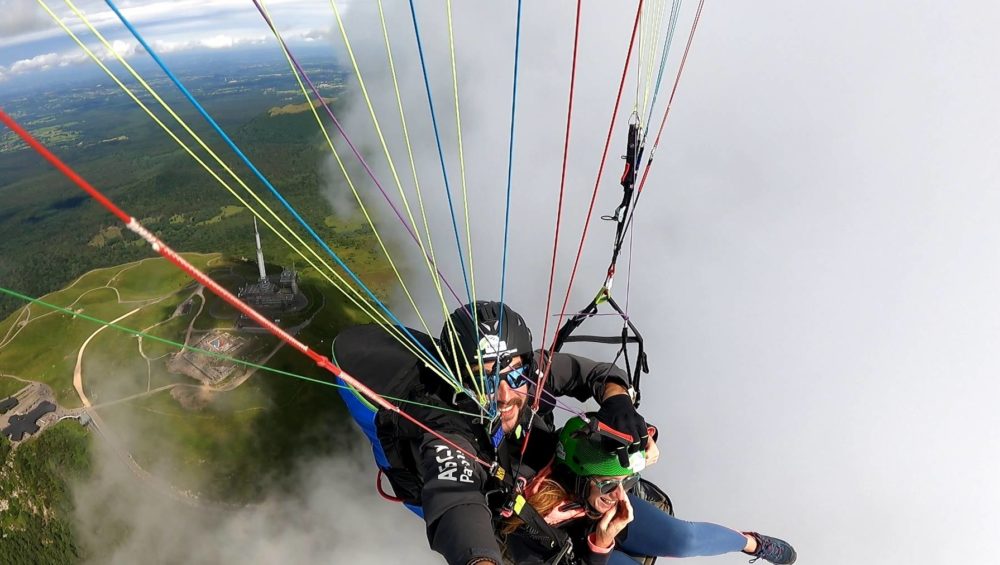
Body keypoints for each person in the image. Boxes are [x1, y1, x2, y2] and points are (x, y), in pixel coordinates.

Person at [331, 301, 651, 565]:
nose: (503, 394)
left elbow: (591, 374)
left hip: (539, 478)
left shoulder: (525, 371)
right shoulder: (447, 433)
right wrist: (599, 549)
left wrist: (618, 400)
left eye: (513, 375)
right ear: (459, 381)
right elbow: (458, 501)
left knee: (683, 538)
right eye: (483, 379)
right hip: (508, 517)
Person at [501, 415, 798, 565]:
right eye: (609, 484)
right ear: (579, 480)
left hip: (597, 518)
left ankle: (750, 543)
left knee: (685, 539)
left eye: (626, 481)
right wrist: (600, 544)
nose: (620, 494)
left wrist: (644, 439)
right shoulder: (526, 523)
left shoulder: (598, 480)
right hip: (576, 553)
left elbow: (621, 424)